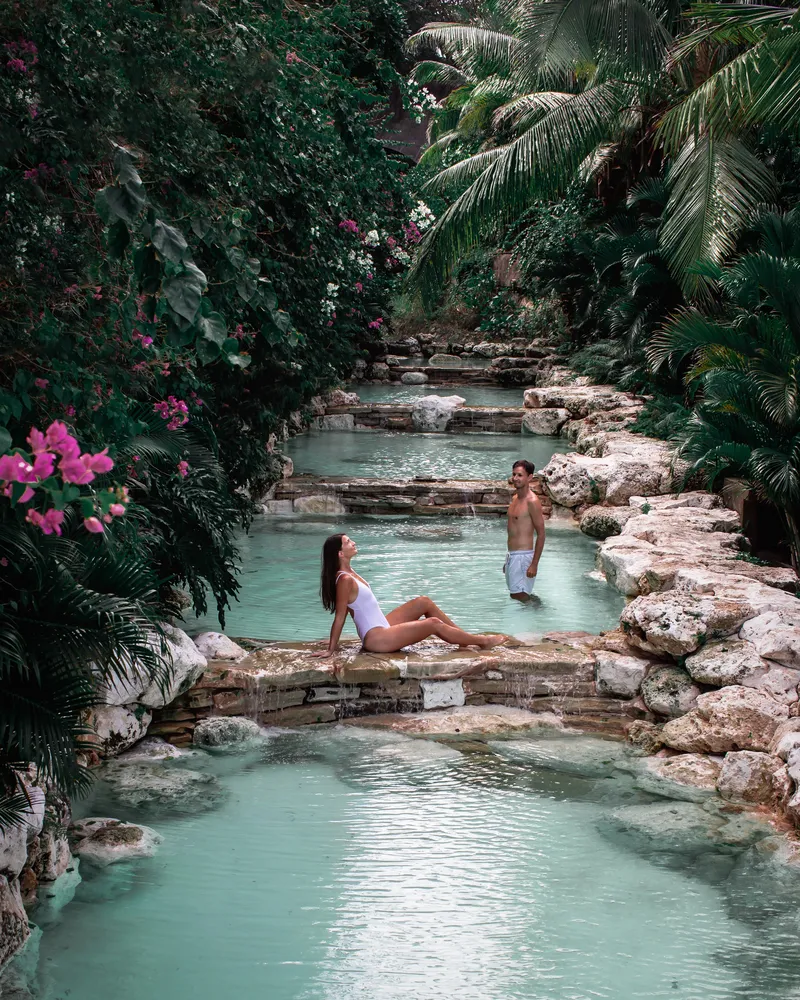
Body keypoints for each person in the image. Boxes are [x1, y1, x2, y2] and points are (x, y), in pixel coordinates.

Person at [313, 533, 506, 657]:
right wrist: (331, 649)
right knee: (433, 624)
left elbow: (348, 609)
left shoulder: (351, 573)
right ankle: (482, 642)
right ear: (340, 553)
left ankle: (464, 639)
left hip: (381, 625)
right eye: (348, 542)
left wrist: (333, 641)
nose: (353, 542)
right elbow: (340, 616)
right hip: (376, 639)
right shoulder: (345, 580)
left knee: (423, 602)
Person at [504, 459, 545, 602]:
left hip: (524, 557)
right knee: (516, 595)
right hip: (513, 556)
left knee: (519, 596)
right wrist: (508, 561)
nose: (515, 478)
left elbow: (541, 534)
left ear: (529, 477)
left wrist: (534, 564)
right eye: (514, 474)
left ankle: (538, 615)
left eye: (520, 475)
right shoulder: (515, 498)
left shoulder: (532, 502)